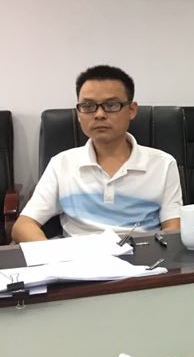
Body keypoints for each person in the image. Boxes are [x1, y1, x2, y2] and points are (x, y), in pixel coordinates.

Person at [11, 65, 182, 242]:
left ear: (131, 110)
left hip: (144, 254)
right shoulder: (61, 163)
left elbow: (173, 229)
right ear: (79, 113)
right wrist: (53, 255)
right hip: (77, 257)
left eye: (111, 105)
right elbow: (23, 226)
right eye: (88, 106)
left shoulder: (163, 164)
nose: (99, 114)